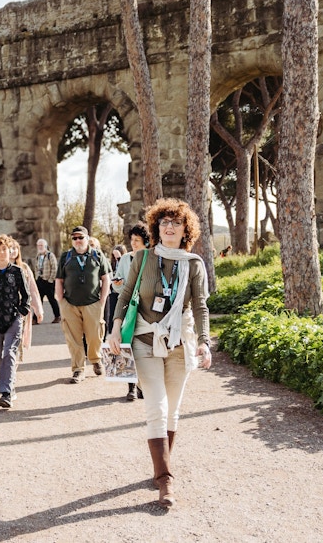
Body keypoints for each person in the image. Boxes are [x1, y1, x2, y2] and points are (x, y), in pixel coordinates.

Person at [108, 198, 212, 508]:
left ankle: (160, 464)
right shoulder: (142, 258)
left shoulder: (194, 264)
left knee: (173, 409)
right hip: (143, 339)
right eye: (164, 222)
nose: (169, 227)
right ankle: (165, 479)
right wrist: (114, 329)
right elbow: (126, 295)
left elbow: (200, 305)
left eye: (175, 223)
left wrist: (204, 341)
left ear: (185, 230)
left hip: (180, 342)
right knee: (156, 406)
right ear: (156, 227)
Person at [55, 226, 112, 383]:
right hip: (70, 304)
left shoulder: (97, 255)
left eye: (80, 237)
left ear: (87, 238)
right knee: (74, 339)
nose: (78, 241)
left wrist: (102, 300)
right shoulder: (66, 257)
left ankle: (95, 358)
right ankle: (78, 370)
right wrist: (60, 300)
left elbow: (106, 278)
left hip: (92, 303)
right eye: (74, 238)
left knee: (94, 336)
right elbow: (59, 280)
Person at [0, 234, 31, 408]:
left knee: (9, 353)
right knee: (1, 357)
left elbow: (26, 295)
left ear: (10, 250)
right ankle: (10, 387)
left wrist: (21, 312)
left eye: (5, 249)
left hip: (13, 319)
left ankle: (6, 393)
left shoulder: (17, 272)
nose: (2, 253)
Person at [112, 222, 150, 401]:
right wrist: (117, 284)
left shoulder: (149, 258)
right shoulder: (125, 259)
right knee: (128, 344)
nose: (134, 243)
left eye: (137, 240)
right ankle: (131, 387)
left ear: (145, 241)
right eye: (132, 240)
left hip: (146, 308)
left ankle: (143, 385)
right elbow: (116, 286)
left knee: (144, 347)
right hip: (128, 308)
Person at [10, 239, 44, 362]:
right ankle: (6, 364)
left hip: (21, 309)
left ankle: (12, 366)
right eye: (10, 248)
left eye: (15, 248)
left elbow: (32, 290)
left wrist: (38, 310)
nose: (13, 251)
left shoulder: (24, 267)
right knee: (4, 340)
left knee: (17, 338)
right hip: (4, 310)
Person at [34, 238, 61, 324]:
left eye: (41, 245)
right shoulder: (38, 256)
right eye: (38, 245)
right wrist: (36, 278)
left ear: (45, 246)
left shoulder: (50, 255)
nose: (40, 247)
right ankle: (36, 318)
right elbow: (36, 268)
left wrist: (50, 280)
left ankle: (58, 316)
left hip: (48, 281)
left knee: (52, 299)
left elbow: (54, 268)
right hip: (40, 281)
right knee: (38, 300)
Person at [107, 244, 128, 334]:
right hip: (113, 292)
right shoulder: (111, 263)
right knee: (112, 313)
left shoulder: (125, 261)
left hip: (123, 291)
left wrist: (120, 259)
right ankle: (112, 332)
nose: (115, 257)